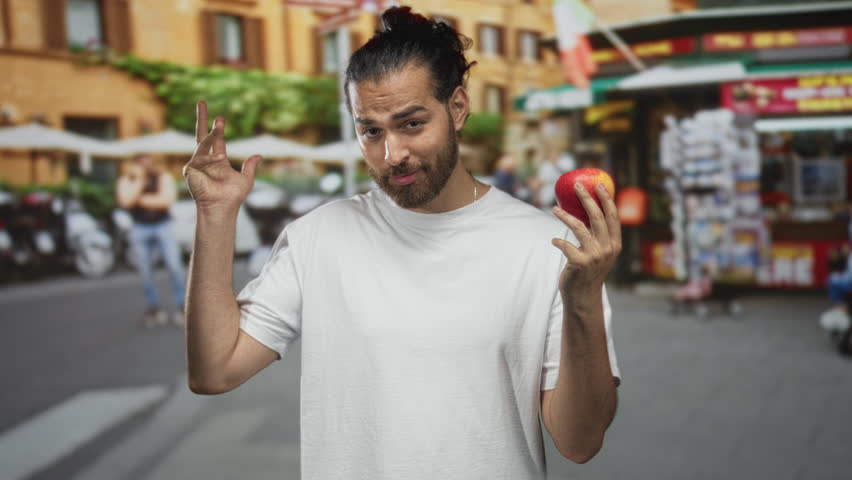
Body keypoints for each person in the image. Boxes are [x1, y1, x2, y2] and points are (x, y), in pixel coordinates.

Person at [184, 7, 621, 479]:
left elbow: (580, 443)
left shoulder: (546, 245)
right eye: (371, 131)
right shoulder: (319, 237)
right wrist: (214, 215)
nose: (393, 154)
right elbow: (215, 370)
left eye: (412, 123)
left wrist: (583, 302)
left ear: (457, 108)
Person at [116, 154, 187, 328]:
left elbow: (166, 201)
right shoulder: (127, 180)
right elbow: (125, 202)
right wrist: (139, 182)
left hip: (163, 225)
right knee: (145, 271)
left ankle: (182, 307)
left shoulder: (163, 178)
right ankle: (153, 308)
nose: (145, 166)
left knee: (174, 266)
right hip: (139, 227)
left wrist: (139, 200)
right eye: (141, 163)